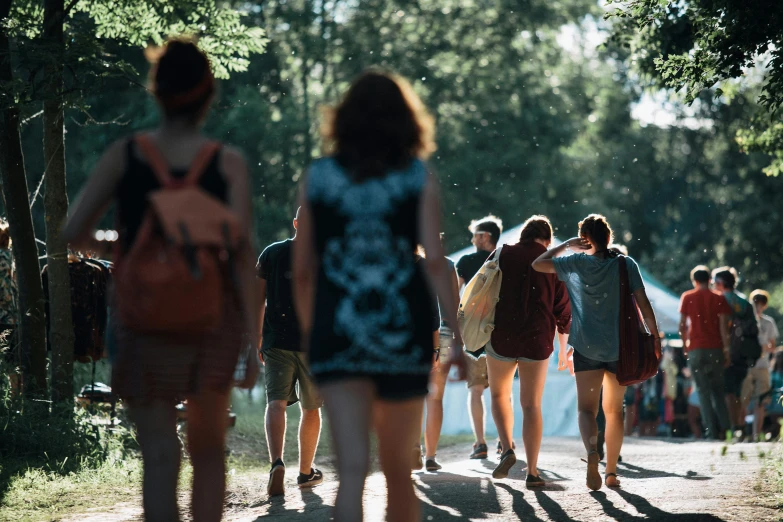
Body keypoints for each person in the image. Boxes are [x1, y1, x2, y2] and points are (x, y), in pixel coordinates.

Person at [62, 39, 259, 522]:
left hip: (141, 321)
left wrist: (122, 247)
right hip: (211, 324)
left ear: (156, 92)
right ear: (208, 94)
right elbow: (241, 256)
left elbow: (72, 233)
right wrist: (252, 343)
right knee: (209, 453)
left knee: (159, 454)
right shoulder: (226, 162)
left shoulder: (125, 155)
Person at [291, 70, 467, 522]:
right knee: (396, 474)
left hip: (339, 326)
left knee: (350, 471)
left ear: (344, 119)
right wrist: (457, 337)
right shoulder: (416, 177)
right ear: (405, 120)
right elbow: (434, 263)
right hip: (399, 329)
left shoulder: (320, 177)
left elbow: (304, 269)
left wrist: (315, 332)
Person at [532, 214, 660, 491]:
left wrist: (565, 244)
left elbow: (537, 264)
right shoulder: (626, 264)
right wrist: (656, 337)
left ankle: (592, 451)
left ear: (584, 239)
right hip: (620, 349)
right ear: (609, 237)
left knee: (586, 410)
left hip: (586, 347)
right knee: (614, 411)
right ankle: (612, 472)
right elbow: (643, 304)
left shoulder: (576, 262)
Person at [485, 216, 571, 486]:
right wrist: (562, 346)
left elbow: (485, 290)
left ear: (523, 235)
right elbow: (562, 309)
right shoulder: (552, 263)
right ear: (547, 240)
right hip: (537, 339)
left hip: (502, 336)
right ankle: (532, 472)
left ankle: (507, 448)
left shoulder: (503, 253)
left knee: (499, 394)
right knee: (531, 405)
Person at [257, 208, 324, 496]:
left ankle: (276, 463)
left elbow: (257, 299)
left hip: (276, 340)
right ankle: (306, 472)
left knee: (276, 402)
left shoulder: (271, 253)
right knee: (312, 408)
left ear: (295, 222)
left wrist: (259, 338)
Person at [456, 215, 503, 459]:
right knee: (502, 391)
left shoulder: (465, 261)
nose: (473, 238)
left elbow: (455, 297)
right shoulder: (504, 259)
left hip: (473, 337)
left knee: (475, 390)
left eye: (475, 233)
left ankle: (480, 443)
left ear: (484, 236)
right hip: (501, 334)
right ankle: (505, 442)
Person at [417, 236, 461, 472]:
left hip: (413, 334)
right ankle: (430, 455)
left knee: (410, 393)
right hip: (443, 333)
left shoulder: (408, 263)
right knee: (435, 396)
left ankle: (413, 446)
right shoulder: (447, 265)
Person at [678, 265, 732, 439]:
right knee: (718, 390)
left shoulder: (687, 297)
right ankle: (726, 429)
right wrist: (727, 350)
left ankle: (711, 431)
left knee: (702, 391)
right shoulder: (719, 298)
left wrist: (686, 347)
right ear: (710, 280)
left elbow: (682, 326)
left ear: (694, 281)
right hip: (715, 348)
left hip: (695, 348)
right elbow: (724, 327)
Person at [712, 267, 758, 435]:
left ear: (721, 283)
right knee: (737, 391)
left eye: (714, 282)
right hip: (744, 353)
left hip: (725, 352)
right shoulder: (744, 302)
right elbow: (754, 329)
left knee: (727, 391)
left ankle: (733, 427)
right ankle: (739, 425)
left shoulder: (720, 300)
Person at [742, 290, 779, 440]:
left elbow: (773, 346)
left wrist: (760, 347)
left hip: (762, 365)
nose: (758, 307)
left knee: (761, 402)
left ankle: (756, 435)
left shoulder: (768, 322)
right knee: (743, 401)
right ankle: (742, 433)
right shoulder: (744, 320)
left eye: (761, 305)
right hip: (746, 365)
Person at [0, 220, 19, 394]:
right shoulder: (12, 257)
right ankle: (15, 400)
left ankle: (11, 401)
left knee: (8, 362)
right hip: (14, 317)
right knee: (12, 362)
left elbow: (4, 291)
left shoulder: (2, 258)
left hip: (3, 317)